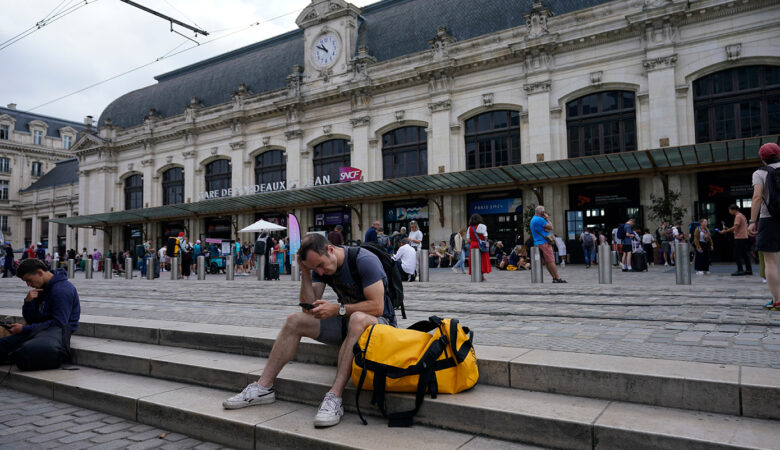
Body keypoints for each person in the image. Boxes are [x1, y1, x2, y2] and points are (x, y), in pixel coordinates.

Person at [222, 233, 396, 427]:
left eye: (320, 265)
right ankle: (264, 387)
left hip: (381, 326)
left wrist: (338, 309)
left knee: (356, 319)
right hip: (349, 322)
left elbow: (377, 306)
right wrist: (305, 272)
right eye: (315, 269)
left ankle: (334, 398)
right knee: (294, 321)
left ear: (330, 249)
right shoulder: (317, 267)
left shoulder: (364, 260)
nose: (320, 272)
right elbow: (308, 308)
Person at [0, 258, 80, 371]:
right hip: (39, 329)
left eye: (29, 280)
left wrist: (24, 329)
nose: (28, 284)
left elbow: (59, 323)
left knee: (5, 345)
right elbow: (31, 319)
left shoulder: (61, 290)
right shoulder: (42, 288)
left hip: (52, 332)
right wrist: (28, 303)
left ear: (39, 273)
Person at [749, 143, 780, 310]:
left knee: (771, 262)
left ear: (762, 158)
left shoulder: (759, 173)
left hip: (769, 220)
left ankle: (778, 300)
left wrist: (753, 221)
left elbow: (757, 197)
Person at [530, 206, 566, 283]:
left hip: (538, 243)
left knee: (547, 262)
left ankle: (554, 278)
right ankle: (557, 277)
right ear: (542, 212)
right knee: (551, 260)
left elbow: (547, 228)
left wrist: (547, 227)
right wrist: (547, 219)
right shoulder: (540, 219)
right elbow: (551, 227)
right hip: (544, 243)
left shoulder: (533, 219)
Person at [718, 204, 752, 276]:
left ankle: (740, 270)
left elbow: (735, 227)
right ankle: (749, 270)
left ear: (733, 210)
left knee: (737, 255)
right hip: (744, 237)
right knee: (745, 255)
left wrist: (725, 231)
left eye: (730, 210)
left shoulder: (738, 216)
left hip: (739, 237)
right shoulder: (742, 215)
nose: (729, 212)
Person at [467, 214, 491, 282]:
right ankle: (482, 276)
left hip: (473, 245)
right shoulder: (482, 227)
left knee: (473, 260)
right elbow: (485, 237)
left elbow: (468, 240)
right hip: (481, 245)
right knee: (482, 260)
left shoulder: (469, 228)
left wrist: (473, 242)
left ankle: (475, 275)